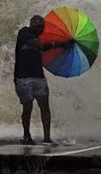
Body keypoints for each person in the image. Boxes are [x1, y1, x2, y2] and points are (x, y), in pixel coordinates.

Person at [14, 15, 70, 145]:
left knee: (45, 107)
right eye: (40, 27)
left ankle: (47, 137)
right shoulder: (24, 32)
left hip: (39, 76)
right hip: (23, 78)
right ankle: (27, 136)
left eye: (42, 28)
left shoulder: (37, 38)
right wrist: (57, 44)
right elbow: (39, 45)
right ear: (33, 25)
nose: (42, 30)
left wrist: (64, 45)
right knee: (27, 108)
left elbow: (43, 47)